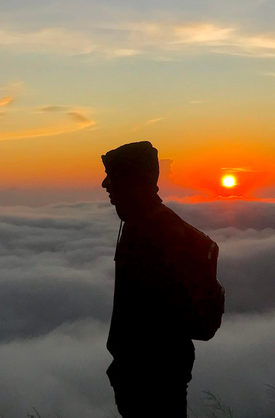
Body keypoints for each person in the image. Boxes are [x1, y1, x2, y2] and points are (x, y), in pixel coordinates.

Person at [101, 141, 199, 418]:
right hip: (161, 371)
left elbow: (148, 317)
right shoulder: (154, 223)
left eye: (114, 176)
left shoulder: (148, 232)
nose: (105, 184)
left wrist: (127, 368)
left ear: (133, 181)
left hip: (150, 379)